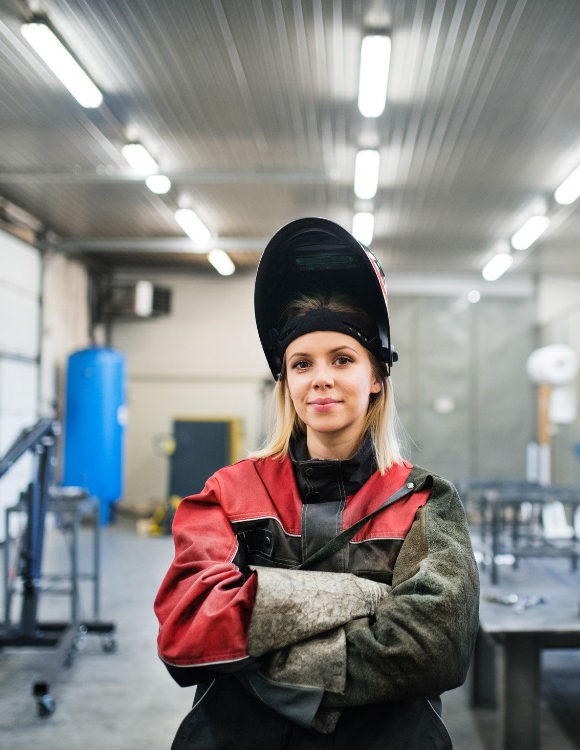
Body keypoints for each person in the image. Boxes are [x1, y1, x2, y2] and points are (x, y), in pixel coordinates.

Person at [154, 217, 480, 749]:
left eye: (343, 359)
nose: (321, 377)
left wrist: (259, 651)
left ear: (376, 378)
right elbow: (187, 631)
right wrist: (360, 595)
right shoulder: (226, 493)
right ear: (287, 381)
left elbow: (434, 646)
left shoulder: (424, 502)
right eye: (301, 363)